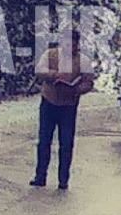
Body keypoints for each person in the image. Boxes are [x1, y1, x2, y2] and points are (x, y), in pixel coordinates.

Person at [30, 32, 95, 190]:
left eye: (73, 44)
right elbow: (39, 70)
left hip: (69, 105)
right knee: (44, 141)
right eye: (67, 44)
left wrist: (76, 89)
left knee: (66, 143)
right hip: (49, 101)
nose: (70, 47)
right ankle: (40, 176)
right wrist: (54, 75)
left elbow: (89, 82)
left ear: (77, 45)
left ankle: (63, 179)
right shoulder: (50, 55)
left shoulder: (83, 61)